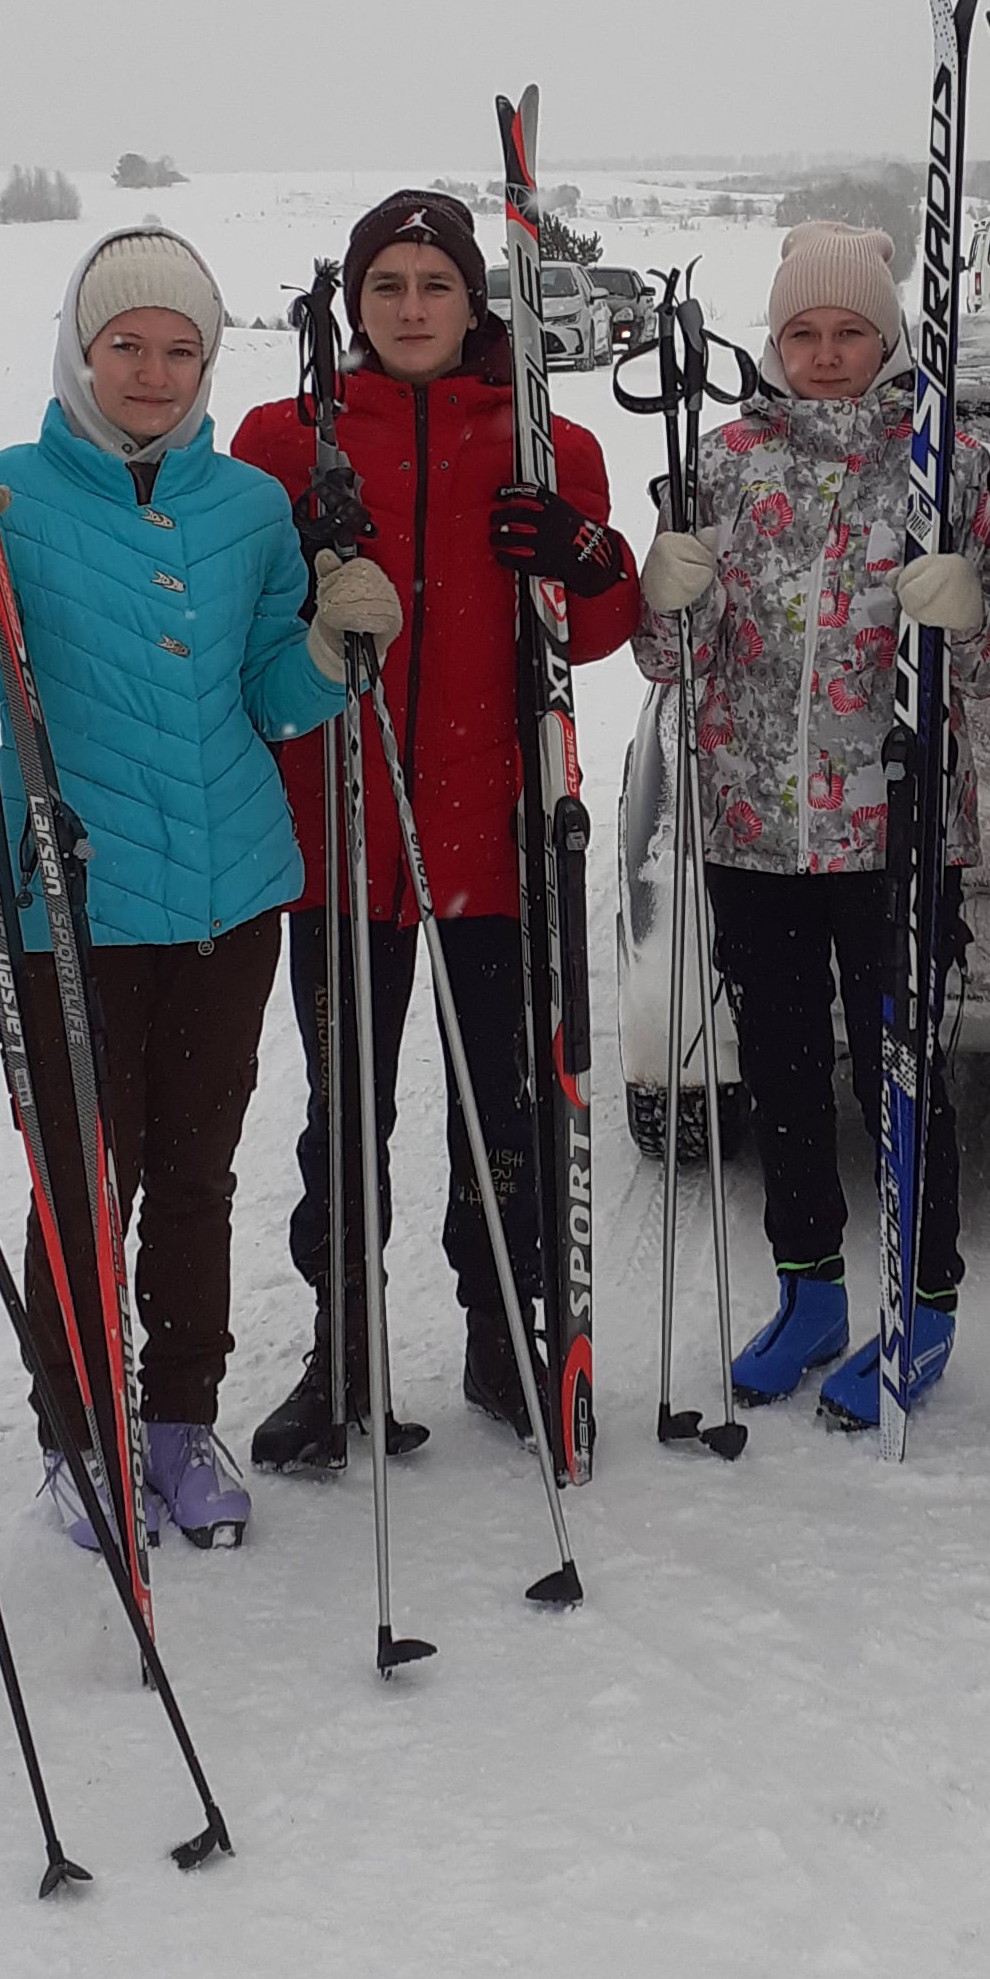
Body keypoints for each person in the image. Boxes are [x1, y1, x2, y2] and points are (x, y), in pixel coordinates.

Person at [0, 227, 387, 1550]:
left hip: (233, 898)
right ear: (80, 350)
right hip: (72, 899)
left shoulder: (243, 506)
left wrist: (337, 646)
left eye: (181, 349)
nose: (155, 372)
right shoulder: (0, 494)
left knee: (193, 1178)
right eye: (128, 346)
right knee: (78, 1180)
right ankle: (80, 1436)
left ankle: (177, 1425)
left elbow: (270, 700)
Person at [231, 191, 641, 1461]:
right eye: (388, 286)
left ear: (475, 303)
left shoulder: (543, 440)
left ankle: (499, 1330)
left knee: (499, 1111)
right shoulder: (283, 439)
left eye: (436, 286)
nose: (411, 309)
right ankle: (342, 1350)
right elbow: (248, 626)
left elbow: (599, 629)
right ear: (352, 304)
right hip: (338, 836)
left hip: (494, 839)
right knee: (343, 1111)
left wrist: (589, 557)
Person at [634, 224, 990, 1426]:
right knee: (785, 1075)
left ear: (890, 336)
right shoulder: (725, 464)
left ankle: (925, 1300)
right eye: (805, 332)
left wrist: (972, 609)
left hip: (894, 828)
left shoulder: (947, 464)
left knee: (903, 1071)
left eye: (852, 332)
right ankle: (810, 1294)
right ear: (775, 340)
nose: (829, 353)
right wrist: (666, 600)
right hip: (750, 826)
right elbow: (664, 661)